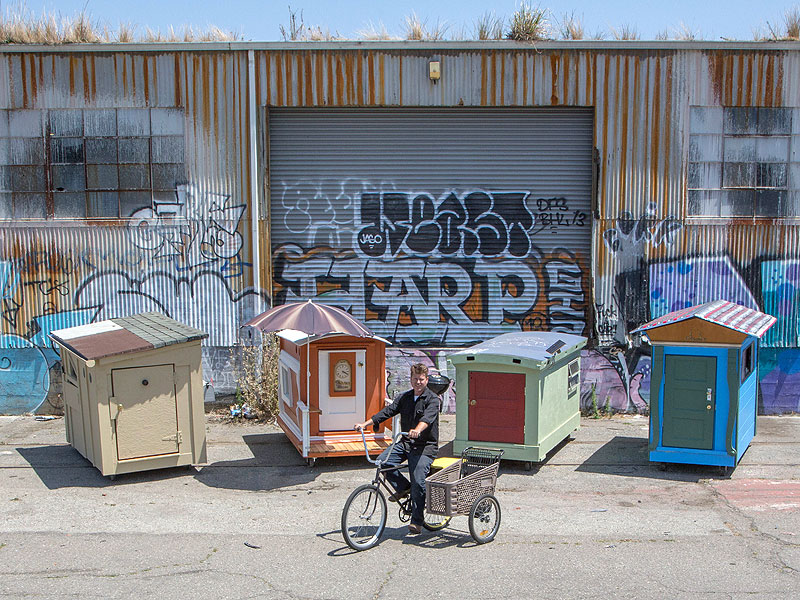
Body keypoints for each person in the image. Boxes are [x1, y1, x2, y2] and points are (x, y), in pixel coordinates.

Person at [355, 363, 439, 535]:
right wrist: (366, 424)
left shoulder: (432, 399)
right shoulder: (405, 397)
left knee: (418, 479)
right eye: (415, 379)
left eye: (421, 380)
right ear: (411, 379)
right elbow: (388, 411)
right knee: (382, 462)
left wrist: (418, 430)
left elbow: (427, 419)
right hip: (406, 442)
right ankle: (402, 488)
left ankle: (417, 520)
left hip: (424, 447)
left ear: (426, 380)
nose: (418, 383)